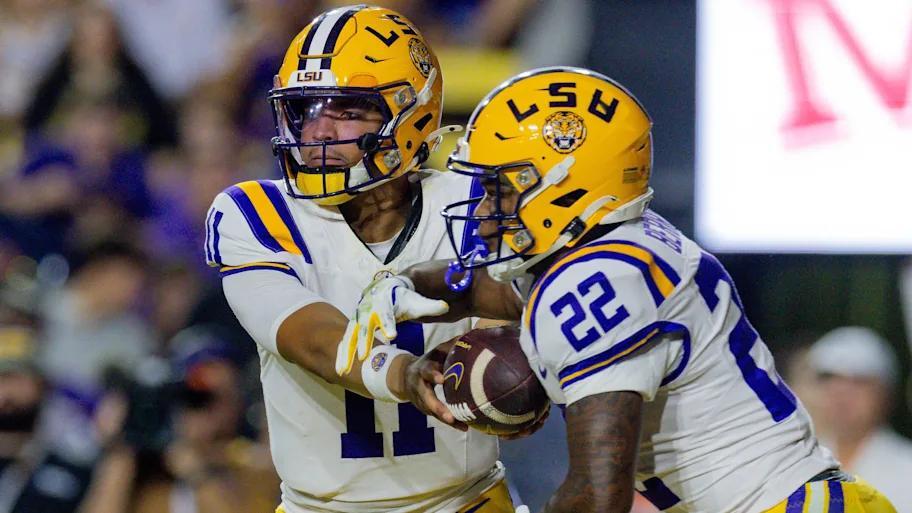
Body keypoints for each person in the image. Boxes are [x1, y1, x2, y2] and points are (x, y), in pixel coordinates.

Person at [341, 67, 899, 512]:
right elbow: (490, 290)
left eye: (500, 189)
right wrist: (403, 282)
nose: (484, 211)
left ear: (566, 185)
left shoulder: (594, 281)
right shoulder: (613, 244)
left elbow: (597, 495)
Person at [204, 5, 514, 512]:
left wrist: (519, 369)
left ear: (413, 116)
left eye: (347, 111)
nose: (319, 132)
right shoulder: (255, 214)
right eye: (306, 110)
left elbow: (526, 312)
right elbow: (311, 339)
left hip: (465, 501)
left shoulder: (470, 204)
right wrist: (403, 374)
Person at [807, 327, 912, 512]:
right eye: (829, 381)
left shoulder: (907, 469)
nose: (841, 395)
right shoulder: (797, 464)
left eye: (858, 382)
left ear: (886, 394)